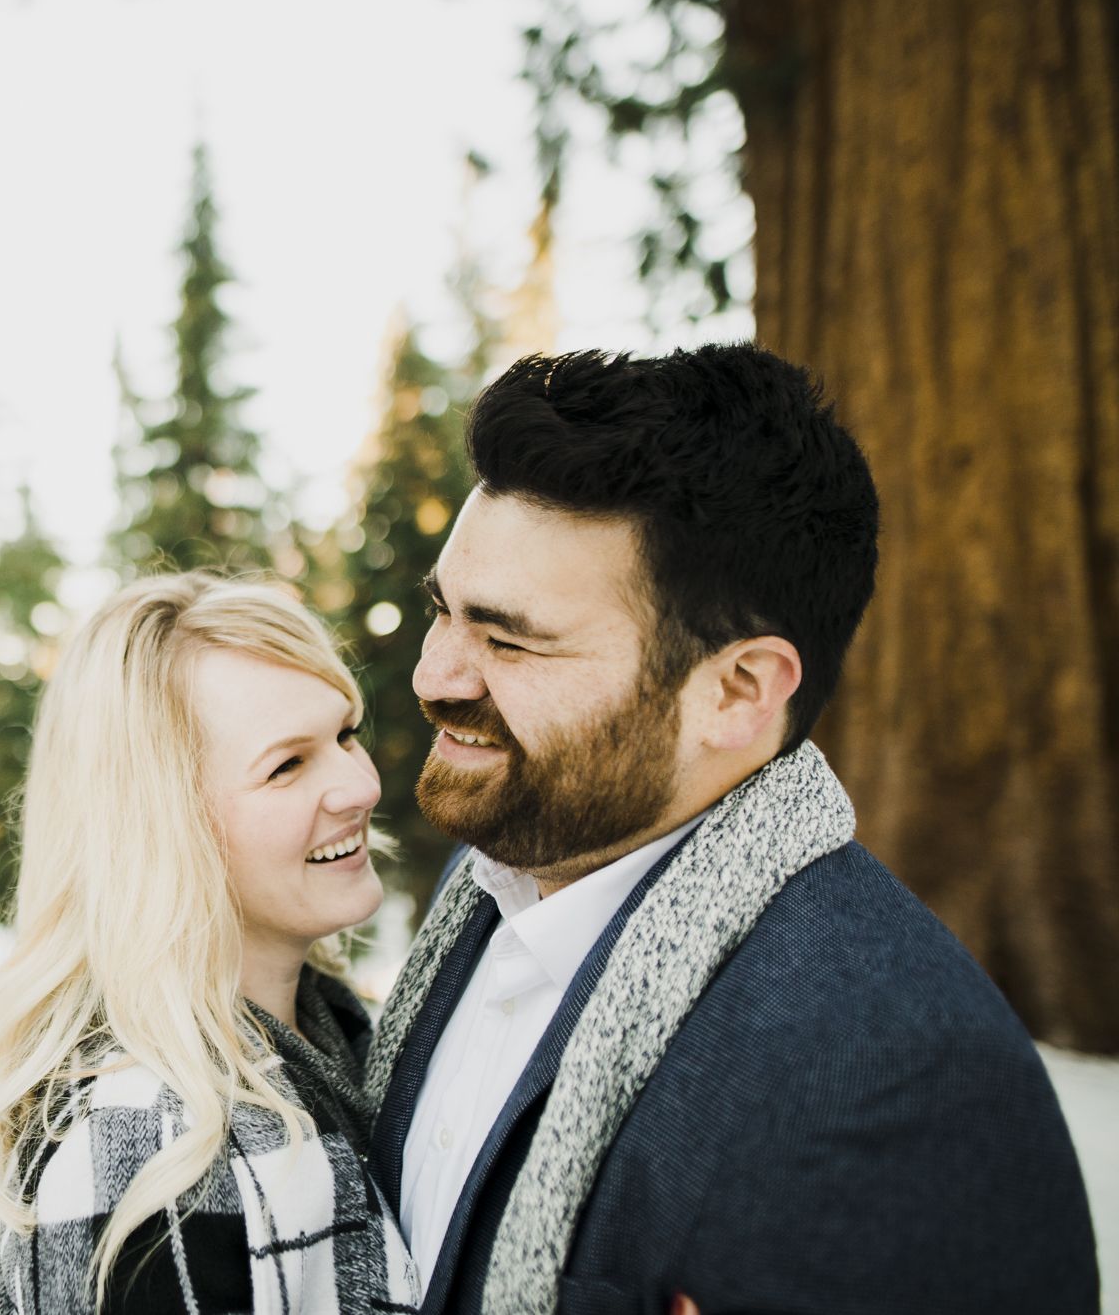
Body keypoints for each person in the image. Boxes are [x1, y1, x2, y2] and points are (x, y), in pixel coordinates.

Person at [366, 344, 1099, 1315]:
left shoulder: (887, 1082)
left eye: (508, 638)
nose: (435, 676)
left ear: (736, 692)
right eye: (441, 614)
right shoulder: (481, 904)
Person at [0, 573, 421, 1315]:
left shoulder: (335, 1041)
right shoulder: (150, 1148)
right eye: (287, 764)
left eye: (346, 733)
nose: (359, 785)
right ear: (159, 824)